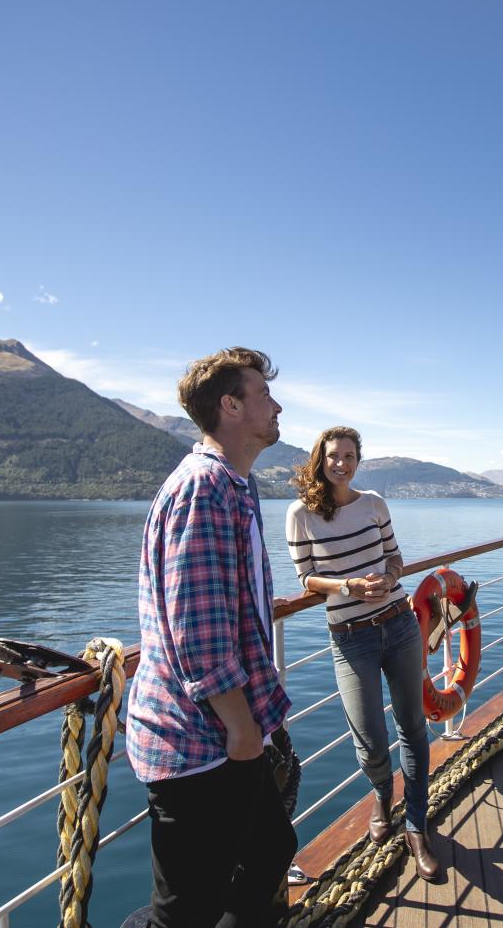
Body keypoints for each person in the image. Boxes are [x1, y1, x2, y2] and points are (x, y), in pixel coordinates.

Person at [125, 347, 297, 927]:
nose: (276, 406)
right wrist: (242, 727)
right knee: (184, 912)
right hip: (199, 741)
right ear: (230, 406)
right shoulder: (205, 489)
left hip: (225, 731)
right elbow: (198, 630)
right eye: (263, 395)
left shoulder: (235, 486)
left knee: (270, 850)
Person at [284, 426, 442, 882]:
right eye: (335, 455)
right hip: (350, 636)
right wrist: (349, 586)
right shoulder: (301, 514)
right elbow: (306, 578)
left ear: (358, 460)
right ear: (320, 459)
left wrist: (390, 580)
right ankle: (380, 794)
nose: (343, 463)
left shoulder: (374, 503)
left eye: (350, 456)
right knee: (371, 741)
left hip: (399, 625)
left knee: (413, 727)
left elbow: (396, 558)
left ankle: (416, 827)